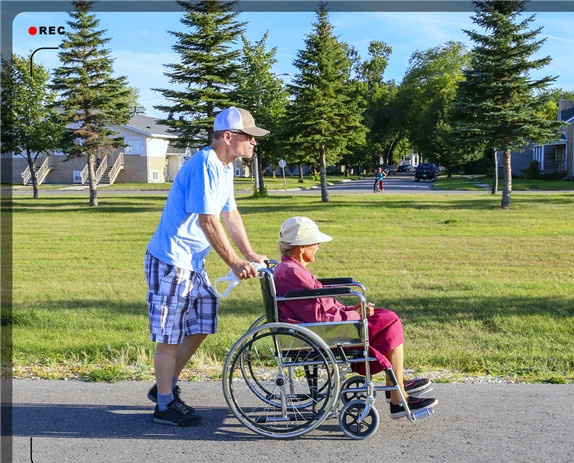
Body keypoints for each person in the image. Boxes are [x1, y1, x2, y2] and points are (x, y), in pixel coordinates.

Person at [145, 107, 270, 426]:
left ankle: (165, 385)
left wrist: (250, 253)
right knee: (170, 336)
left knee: (202, 321)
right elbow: (208, 222)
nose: (254, 143)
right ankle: (164, 404)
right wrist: (234, 262)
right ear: (229, 136)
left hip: (191, 262)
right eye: (250, 136)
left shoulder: (225, 168)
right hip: (171, 261)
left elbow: (230, 215)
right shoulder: (204, 165)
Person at [272, 216, 437, 419]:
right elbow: (319, 316)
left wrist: (352, 310)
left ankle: (397, 383)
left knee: (385, 316)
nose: (318, 248)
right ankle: (397, 395)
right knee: (391, 320)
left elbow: (320, 308)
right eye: (315, 243)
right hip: (321, 332)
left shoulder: (291, 269)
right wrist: (354, 314)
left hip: (324, 325)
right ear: (302, 247)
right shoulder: (292, 273)